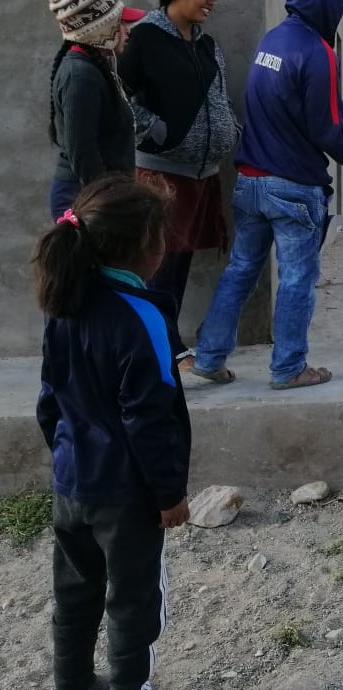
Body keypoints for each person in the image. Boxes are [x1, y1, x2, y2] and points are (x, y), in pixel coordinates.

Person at [193, 0, 343, 389]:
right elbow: (323, 128)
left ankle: (209, 356)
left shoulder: (274, 41)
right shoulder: (318, 51)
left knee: (240, 271)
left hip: (250, 181)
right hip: (292, 189)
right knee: (297, 280)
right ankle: (289, 368)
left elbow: (301, 107)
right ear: (326, 1)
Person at [33, 175, 191, 690]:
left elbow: (48, 400)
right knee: (133, 604)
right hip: (127, 497)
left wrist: (67, 458)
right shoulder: (143, 316)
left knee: (75, 596)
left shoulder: (65, 302)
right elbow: (149, 417)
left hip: (71, 484)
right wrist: (169, 494)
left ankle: (72, 682)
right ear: (146, 247)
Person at [119, 0, 241, 372]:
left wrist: (231, 130)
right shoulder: (145, 39)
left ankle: (167, 344)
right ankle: (165, 348)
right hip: (161, 172)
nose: (211, 0)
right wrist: (156, 131)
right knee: (159, 264)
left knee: (180, 263)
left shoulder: (206, 43)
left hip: (200, 174)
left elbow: (219, 98)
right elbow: (119, 97)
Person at [47, 0, 146, 219]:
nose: (128, 30)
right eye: (121, 23)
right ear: (100, 29)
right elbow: (82, 152)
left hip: (100, 194)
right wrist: (107, 203)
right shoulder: (80, 76)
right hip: (85, 199)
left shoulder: (95, 67)